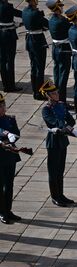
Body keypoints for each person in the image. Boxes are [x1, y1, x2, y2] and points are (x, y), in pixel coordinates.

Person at [40, 80, 77, 206]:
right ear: (48, 96)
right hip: (54, 141)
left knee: (60, 170)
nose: (57, 94)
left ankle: (61, 194)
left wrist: (68, 127)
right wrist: (64, 126)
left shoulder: (61, 105)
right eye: (54, 93)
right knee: (53, 170)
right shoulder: (46, 110)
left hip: (63, 140)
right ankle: (55, 196)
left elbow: (71, 120)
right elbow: (54, 122)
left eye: (57, 92)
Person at [0, 93, 21, 224]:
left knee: (9, 185)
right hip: (0, 157)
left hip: (10, 156)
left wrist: (13, 137)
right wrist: (5, 136)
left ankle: (8, 210)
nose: (2, 108)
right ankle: (2, 212)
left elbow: (17, 133)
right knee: (0, 186)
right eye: (0, 106)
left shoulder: (10, 119)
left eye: (3, 105)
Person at [22, 0, 49, 100]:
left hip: (29, 40)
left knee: (33, 66)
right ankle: (39, 92)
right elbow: (46, 24)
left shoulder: (24, 10)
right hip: (38, 42)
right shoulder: (36, 13)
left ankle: (35, 91)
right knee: (40, 68)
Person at [46, 0, 71, 104]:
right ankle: (62, 100)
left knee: (57, 73)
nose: (62, 8)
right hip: (63, 49)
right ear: (57, 8)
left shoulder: (51, 19)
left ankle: (56, 96)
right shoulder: (61, 21)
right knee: (63, 76)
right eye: (60, 6)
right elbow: (70, 30)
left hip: (56, 49)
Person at [0, 0, 22, 92]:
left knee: (2, 60)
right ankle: (10, 86)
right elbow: (18, 13)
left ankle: (5, 84)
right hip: (8, 36)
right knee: (9, 60)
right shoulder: (7, 6)